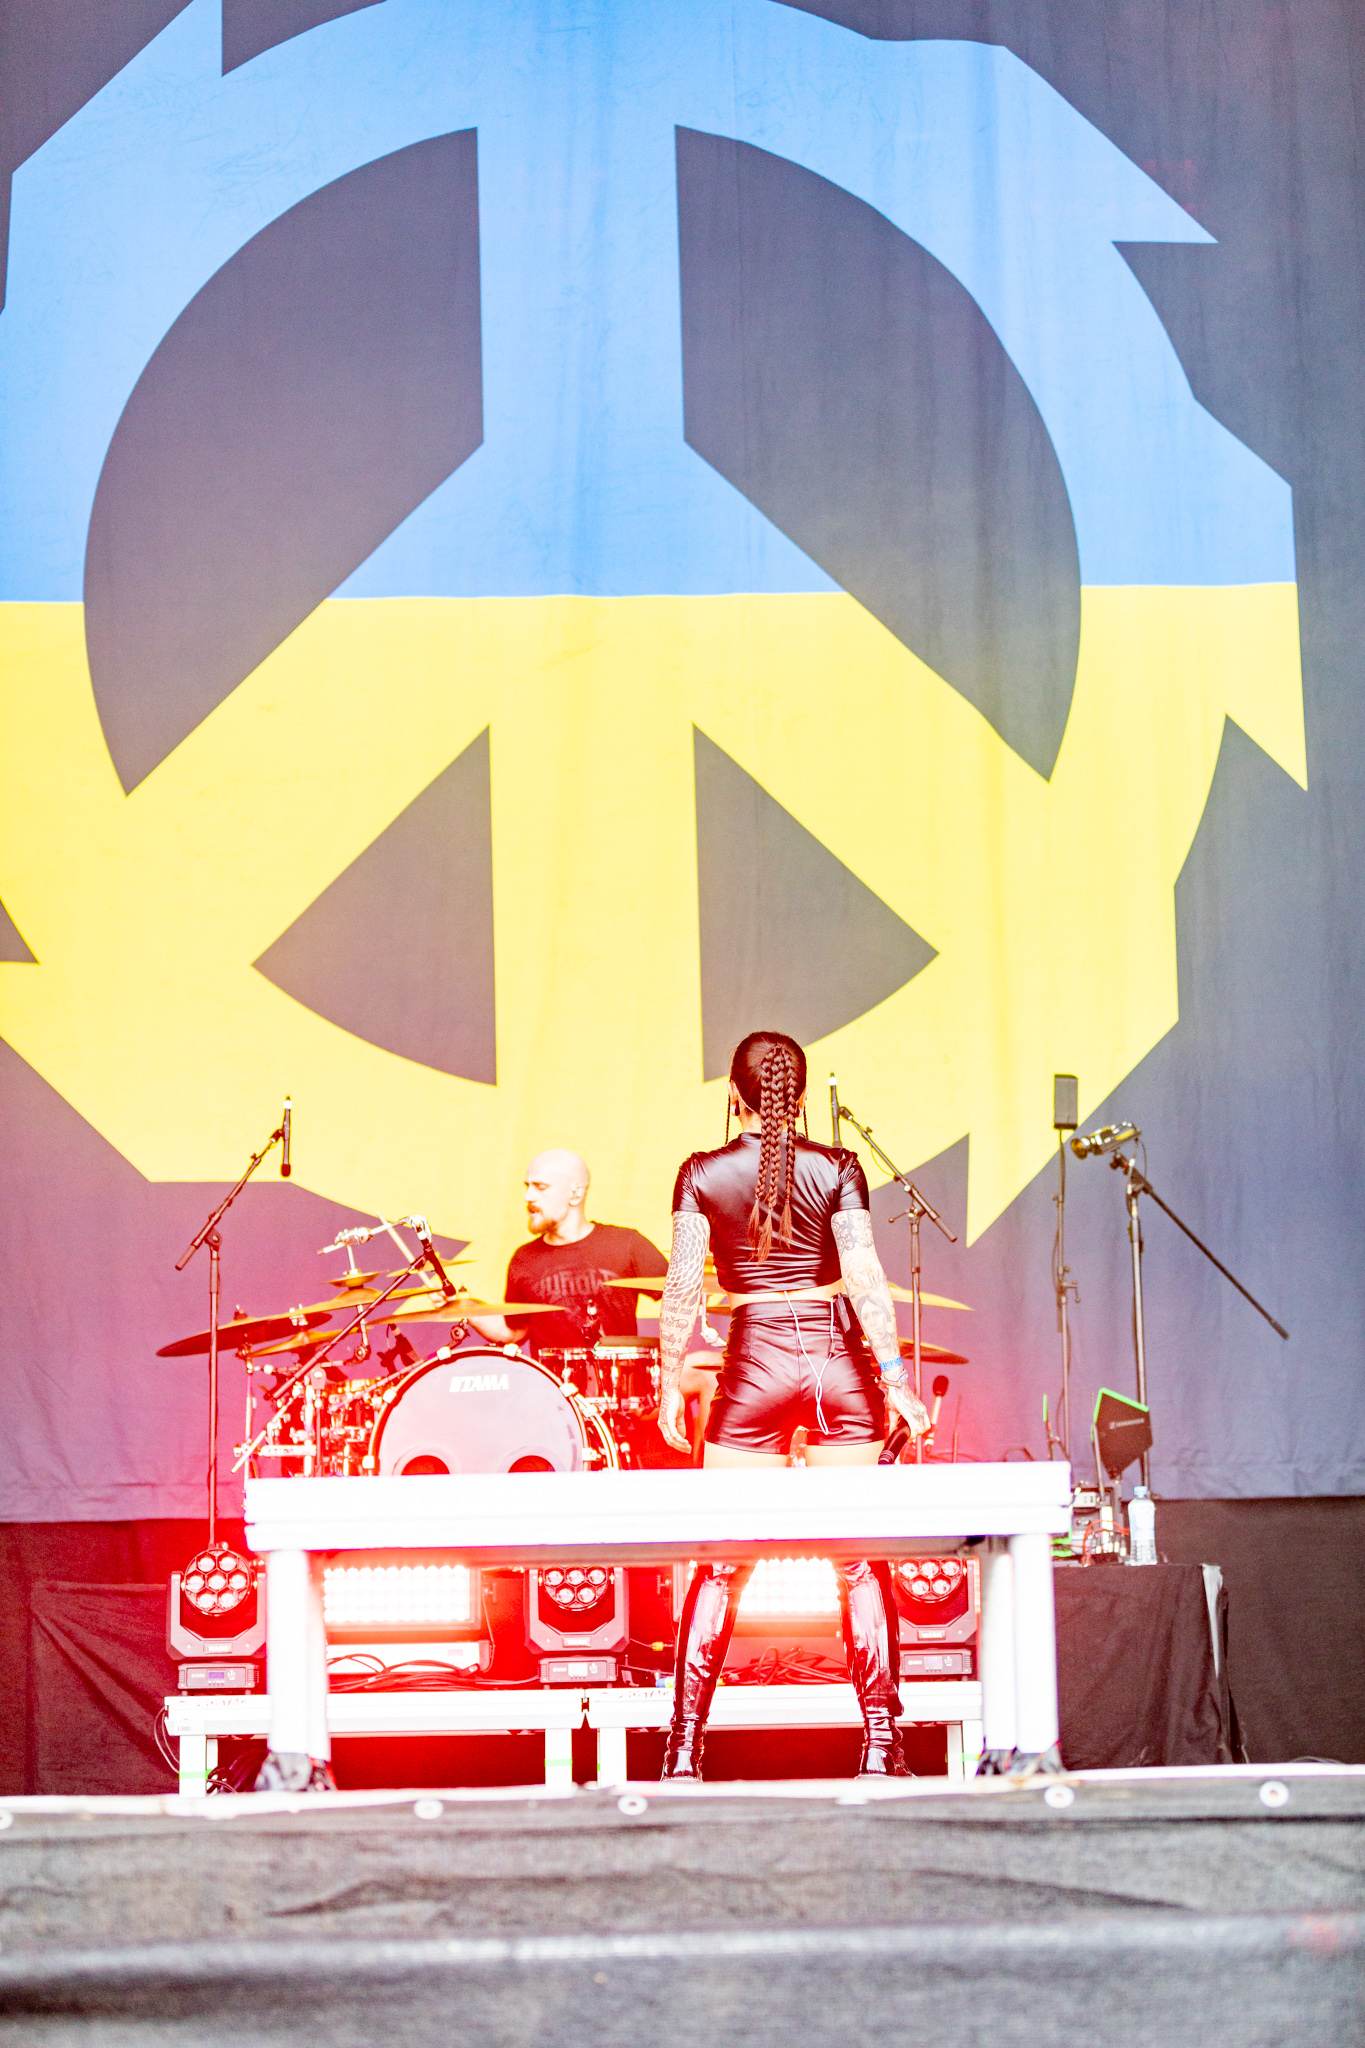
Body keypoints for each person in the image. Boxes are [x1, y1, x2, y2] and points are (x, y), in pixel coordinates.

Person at [657, 1031, 931, 1779]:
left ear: (732, 1096)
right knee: (858, 1563)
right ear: (803, 1098)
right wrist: (895, 1377)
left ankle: (682, 1753)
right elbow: (865, 1277)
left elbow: (682, 1287)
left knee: (721, 1567)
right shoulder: (838, 1166)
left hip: (754, 1361)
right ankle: (882, 1749)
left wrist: (667, 1379)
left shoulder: (700, 1173)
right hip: (835, 1357)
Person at [469, 1149, 667, 1354]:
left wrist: (672, 1356)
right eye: (527, 1186)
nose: (528, 1197)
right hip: (550, 1375)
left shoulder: (626, 1243)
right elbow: (515, 1332)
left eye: (540, 1187)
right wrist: (464, 1308)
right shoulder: (524, 1259)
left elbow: (682, 1298)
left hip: (619, 1372)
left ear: (575, 1194)